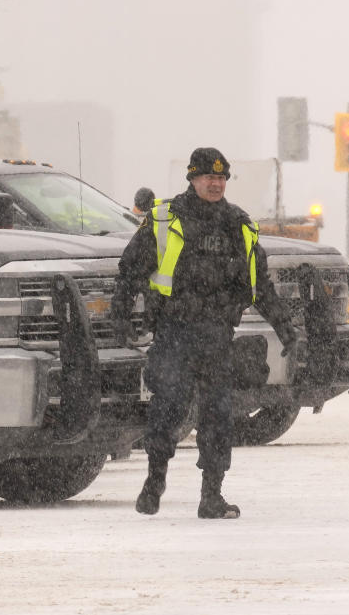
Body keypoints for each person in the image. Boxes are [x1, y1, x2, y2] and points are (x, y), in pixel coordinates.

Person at [109, 147, 297, 519]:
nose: (215, 183)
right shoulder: (164, 220)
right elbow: (129, 271)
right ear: (193, 179)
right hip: (175, 332)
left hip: (216, 336)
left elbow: (260, 286)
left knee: (217, 416)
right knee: (169, 408)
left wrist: (285, 327)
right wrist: (120, 315)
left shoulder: (238, 225)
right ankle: (155, 480)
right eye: (208, 177)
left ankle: (212, 495)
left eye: (221, 178)